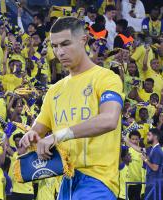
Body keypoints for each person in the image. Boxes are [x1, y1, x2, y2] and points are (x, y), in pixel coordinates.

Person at [20, 17, 123, 199]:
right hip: (65, 181)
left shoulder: (106, 78)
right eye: (55, 46)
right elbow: (38, 130)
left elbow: (109, 120)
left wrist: (59, 135)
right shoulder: (54, 90)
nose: (60, 52)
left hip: (98, 179)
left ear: (83, 40)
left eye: (65, 44)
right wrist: (30, 136)